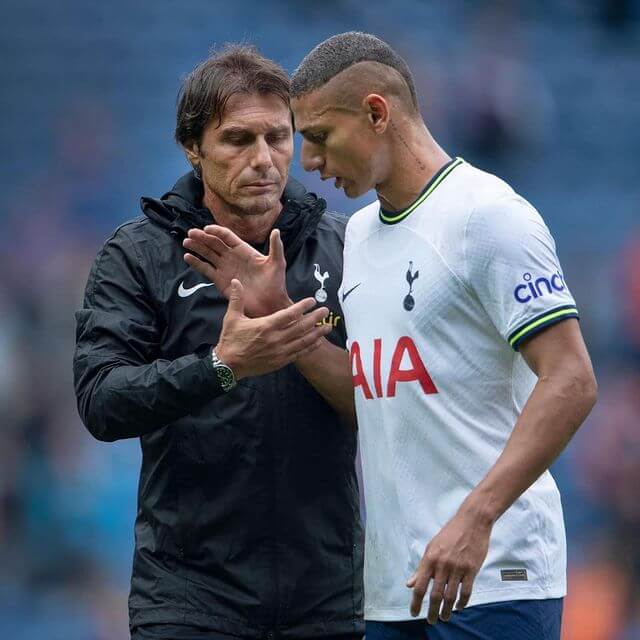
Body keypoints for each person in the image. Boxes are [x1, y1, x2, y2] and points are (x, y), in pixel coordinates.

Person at [189, 33, 598, 640]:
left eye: (321, 137)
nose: (307, 163)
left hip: (493, 574)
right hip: (395, 590)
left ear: (377, 113)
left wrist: (476, 517)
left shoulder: (488, 215)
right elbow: (369, 400)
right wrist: (280, 316)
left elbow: (572, 380)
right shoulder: (358, 236)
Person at [73, 45, 365, 640]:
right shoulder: (138, 256)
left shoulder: (347, 247)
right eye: (237, 140)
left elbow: (380, 401)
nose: (262, 159)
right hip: (189, 600)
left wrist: (286, 328)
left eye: (276, 138)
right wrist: (221, 367)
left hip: (329, 600)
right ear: (193, 147)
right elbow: (101, 401)